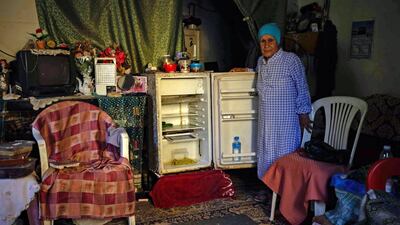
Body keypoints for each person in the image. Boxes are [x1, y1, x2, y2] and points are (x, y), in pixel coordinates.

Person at [254, 23, 312, 200]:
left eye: (270, 40)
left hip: (286, 121)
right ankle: (267, 189)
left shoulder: (291, 60)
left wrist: (303, 114)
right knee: (266, 153)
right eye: (262, 41)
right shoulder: (260, 62)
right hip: (267, 120)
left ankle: (285, 196)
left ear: (277, 41)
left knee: (284, 155)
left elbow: (302, 87)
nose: (266, 45)